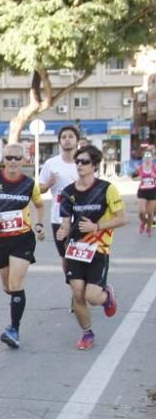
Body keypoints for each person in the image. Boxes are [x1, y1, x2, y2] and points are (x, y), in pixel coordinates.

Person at [0, 145, 47, 348]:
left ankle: (14, 329)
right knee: (8, 287)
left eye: (17, 158)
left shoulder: (30, 184)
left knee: (16, 284)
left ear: (24, 160)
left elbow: (40, 205)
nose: (13, 161)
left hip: (23, 238)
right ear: (4, 159)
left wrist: (39, 225)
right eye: (9, 157)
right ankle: (16, 302)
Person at [56, 145, 125, 350]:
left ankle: (106, 296)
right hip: (77, 248)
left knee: (92, 296)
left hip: (98, 249)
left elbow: (122, 218)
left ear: (94, 165)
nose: (80, 165)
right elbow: (66, 223)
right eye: (77, 162)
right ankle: (87, 333)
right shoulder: (68, 192)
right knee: (77, 293)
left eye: (84, 162)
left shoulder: (106, 189)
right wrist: (63, 231)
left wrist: (97, 226)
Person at [38, 126, 82, 293]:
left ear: (77, 140)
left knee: (79, 255)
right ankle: (74, 288)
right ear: (59, 141)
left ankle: (80, 289)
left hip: (80, 217)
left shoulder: (84, 162)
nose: (67, 139)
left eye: (71, 136)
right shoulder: (51, 163)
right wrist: (49, 184)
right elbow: (40, 189)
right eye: (64, 137)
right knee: (66, 256)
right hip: (58, 217)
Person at [132, 152, 156, 236]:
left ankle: (148, 229)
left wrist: (154, 176)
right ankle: (143, 222)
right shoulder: (140, 167)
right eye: (146, 158)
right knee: (141, 212)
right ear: (144, 159)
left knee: (150, 213)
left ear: (152, 159)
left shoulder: (154, 167)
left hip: (153, 191)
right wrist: (139, 177)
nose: (147, 159)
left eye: (149, 158)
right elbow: (133, 178)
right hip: (142, 191)